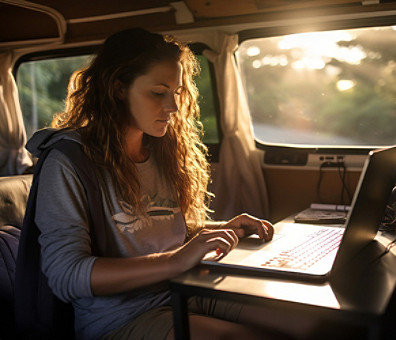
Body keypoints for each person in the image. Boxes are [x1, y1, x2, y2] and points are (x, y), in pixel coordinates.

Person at [27, 28, 320, 340]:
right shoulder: (70, 161)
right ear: (118, 88)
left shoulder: (160, 149)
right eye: (158, 92)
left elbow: (161, 230)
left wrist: (220, 229)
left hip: (187, 288)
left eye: (177, 93)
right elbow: (66, 275)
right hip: (121, 316)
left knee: (311, 322)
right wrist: (177, 260)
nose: (174, 107)